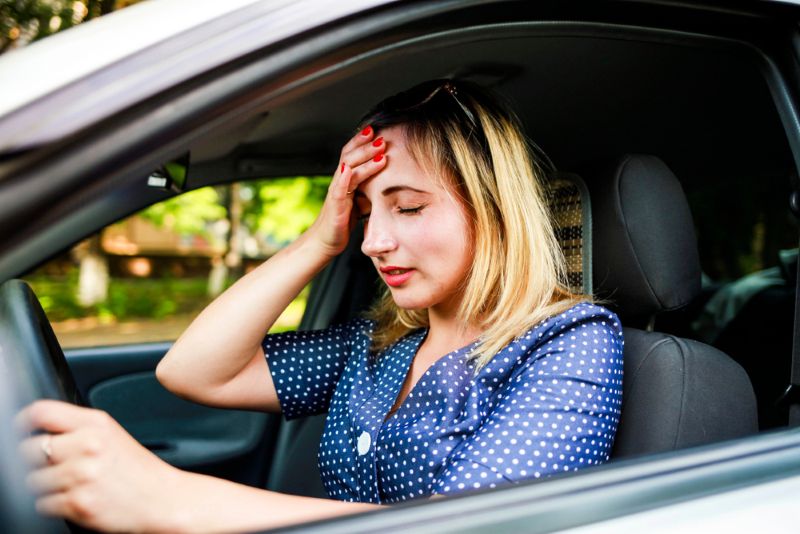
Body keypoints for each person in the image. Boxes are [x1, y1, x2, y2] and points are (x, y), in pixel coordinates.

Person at [17, 79, 624, 532]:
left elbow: (474, 527)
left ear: (495, 210)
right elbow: (192, 370)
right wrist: (317, 241)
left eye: (407, 207)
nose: (373, 242)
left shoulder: (571, 340)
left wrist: (167, 499)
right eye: (364, 215)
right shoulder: (378, 344)